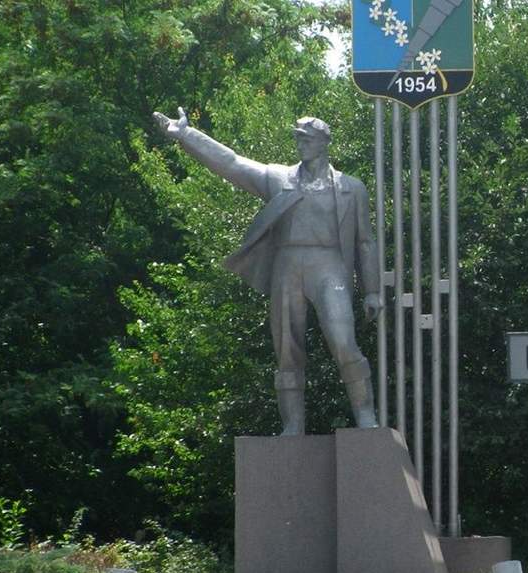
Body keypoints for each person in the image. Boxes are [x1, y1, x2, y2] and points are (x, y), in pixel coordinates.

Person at [153, 108, 380, 435]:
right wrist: (187, 135)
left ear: (324, 142)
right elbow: (232, 163)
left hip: (330, 266)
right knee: (287, 350)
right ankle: (293, 426)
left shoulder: (351, 187)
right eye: (298, 138)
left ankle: (366, 417)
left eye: (307, 139)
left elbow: (365, 242)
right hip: (287, 265)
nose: (300, 144)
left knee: (343, 340)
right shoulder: (278, 178)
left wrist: (371, 290)